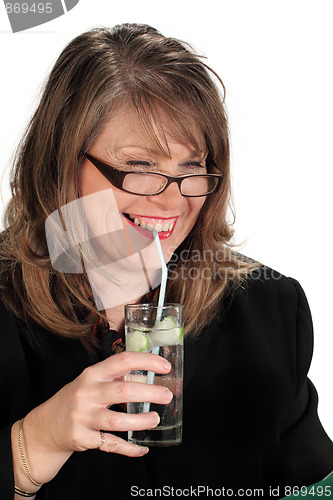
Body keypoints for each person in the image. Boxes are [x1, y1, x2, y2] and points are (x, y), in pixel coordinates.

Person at [0, 23, 332, 500]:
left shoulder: (268, 306)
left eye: (190, 168)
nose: (173, 202)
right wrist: (34, 443)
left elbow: (309, 485)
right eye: (139, 167)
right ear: (60, 163)